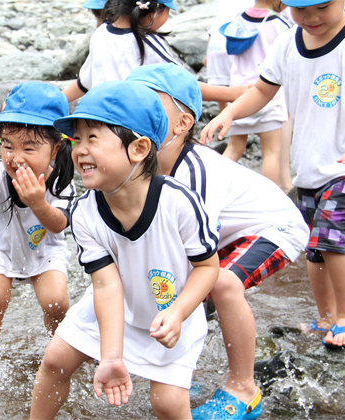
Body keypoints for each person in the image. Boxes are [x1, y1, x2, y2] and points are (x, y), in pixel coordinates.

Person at [127, 63, 309, 419]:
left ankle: (243, 388)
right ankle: (183, 371)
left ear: (182, 124)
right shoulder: (141, 163)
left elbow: (196, 246)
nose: (137, 113)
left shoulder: (195, 171)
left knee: (221, 282)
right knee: (181, 286)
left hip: (275, 225)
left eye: (150, 106)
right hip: (229, 231)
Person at [30, 80, 220, 419]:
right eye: (77, 139)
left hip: (171, 310)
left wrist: (177, 313)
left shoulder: (178, 203)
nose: (79, 151)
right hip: (115, 304)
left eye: (93, 137)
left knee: (168, 404)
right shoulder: (86, 212)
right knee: (54, 361)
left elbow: (208, 268)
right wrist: (111, 356)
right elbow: (107, 285)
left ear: (138, 148)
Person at [202, 0, 345, 350]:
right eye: (301, 9)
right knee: (315, 248)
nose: (312, 17)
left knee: (334, 236)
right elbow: (262, 89)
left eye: (322, 7)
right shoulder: (288, 41)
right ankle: (326, 317)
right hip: (307, 169)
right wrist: (230, 115)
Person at [0, 82, 77, 374]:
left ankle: (63, 355)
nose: (15, 157)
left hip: (44, 250)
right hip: (0, 247)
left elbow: (59, 224)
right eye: (8, 145)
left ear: (55, 148)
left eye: (29, 147)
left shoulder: (60, 181)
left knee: (56, 302)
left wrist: (37, 202)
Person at [63, 0, 247, 104]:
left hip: (99, 121)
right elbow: (185, 83)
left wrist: (58, 101)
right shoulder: (148, 42)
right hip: (132, 125)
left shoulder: (101, 34)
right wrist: (232, 93)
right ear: (152, 13)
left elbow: (84, 83)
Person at [219, 0, 291, 188]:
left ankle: (214, 188)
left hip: (238, 96)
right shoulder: (280, 24)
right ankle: (269, 200)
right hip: (268, 93)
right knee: (271, 153)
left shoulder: (238, 20)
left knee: (234, 148)